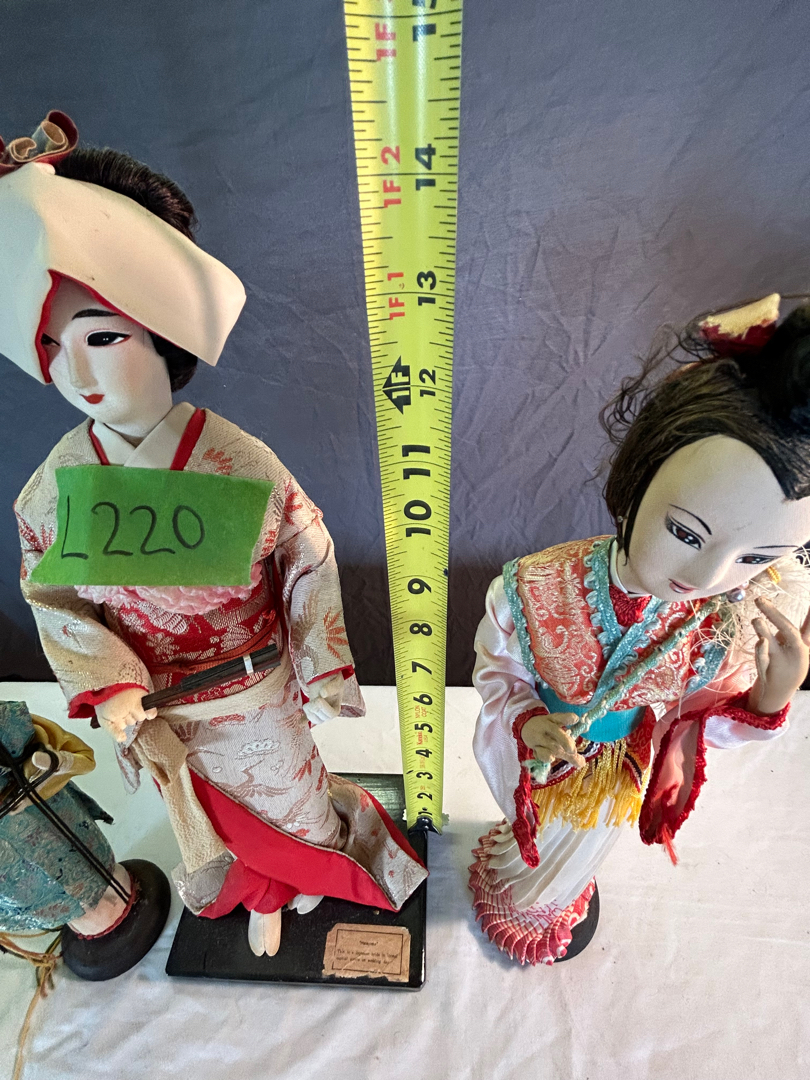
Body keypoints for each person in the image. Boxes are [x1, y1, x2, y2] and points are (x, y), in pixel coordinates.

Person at [0, 113, 426, 958]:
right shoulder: (56, 482)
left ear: (162, 333)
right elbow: (49, 593)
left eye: (104, 338)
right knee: (205, 813)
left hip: (252, 687)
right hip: (154, 702)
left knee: (290, 797)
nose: (76, 372)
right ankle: (260, 892)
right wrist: (108, 683)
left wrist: (318, 666)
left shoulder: (236, 462)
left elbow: (307, 553)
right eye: (53, 344)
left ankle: (308, 873)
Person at [470, 292, 810, 965]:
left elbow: (693, 722)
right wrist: (526, 718)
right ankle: (517, 883)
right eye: (686, 532)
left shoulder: (722, 627)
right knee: (529, 836)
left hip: (620, 768)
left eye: (755, 559)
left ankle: (552, 905)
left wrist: (767, 699)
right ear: (636, 480)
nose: (708, 575)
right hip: (548, 755)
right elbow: (496, 669)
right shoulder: (535, 586)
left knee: (581, 854)